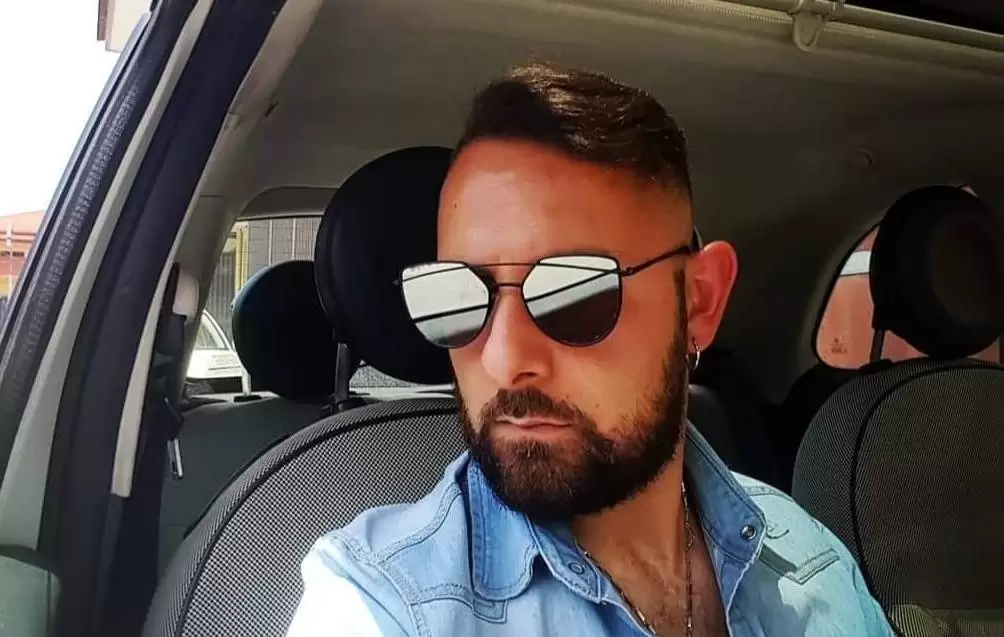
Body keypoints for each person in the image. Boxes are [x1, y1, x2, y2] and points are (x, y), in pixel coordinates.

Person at [286, 63, 893, 636]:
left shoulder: (808, 559)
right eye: (456, 296)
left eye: (572, 293)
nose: (503, 359)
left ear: (699, 302)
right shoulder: (382, 603)